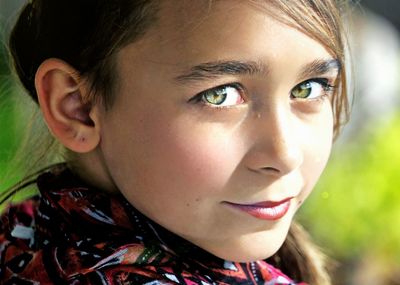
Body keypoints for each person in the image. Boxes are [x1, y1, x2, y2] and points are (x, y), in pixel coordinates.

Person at [0, 0, 350, 284]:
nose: (286, 154)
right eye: (220, 95)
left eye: (310, 88)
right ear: (77, 108)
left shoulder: (19, 238)